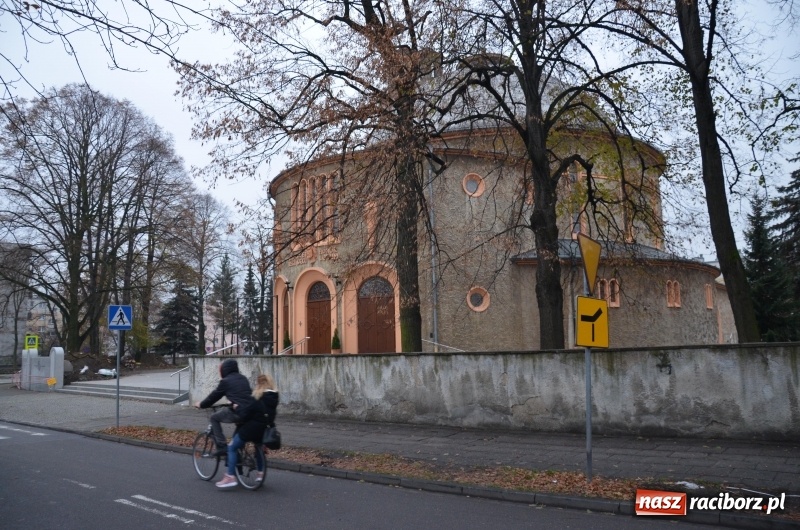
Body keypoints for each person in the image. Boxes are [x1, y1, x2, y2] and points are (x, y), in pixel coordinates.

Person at [215, 373, 280, 489]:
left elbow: (245, 413)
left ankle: (230, 476)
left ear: (259, 384)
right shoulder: (274, 398)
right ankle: (260, 474)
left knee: (232, 447)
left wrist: (236, 407)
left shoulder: (257, 397)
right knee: (258, 447)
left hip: (251, 429)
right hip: (264, 429)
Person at [194, 358, 254, 456]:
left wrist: (201, 404)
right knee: (235, 442)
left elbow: (213, 397)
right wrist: (232, 401)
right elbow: (245, 395)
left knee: (214, 418)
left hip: (238, 411)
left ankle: (221, 446)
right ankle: (236, 459)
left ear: (224, 369)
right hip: (250, 412)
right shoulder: (243, 378)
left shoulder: (226, 381)